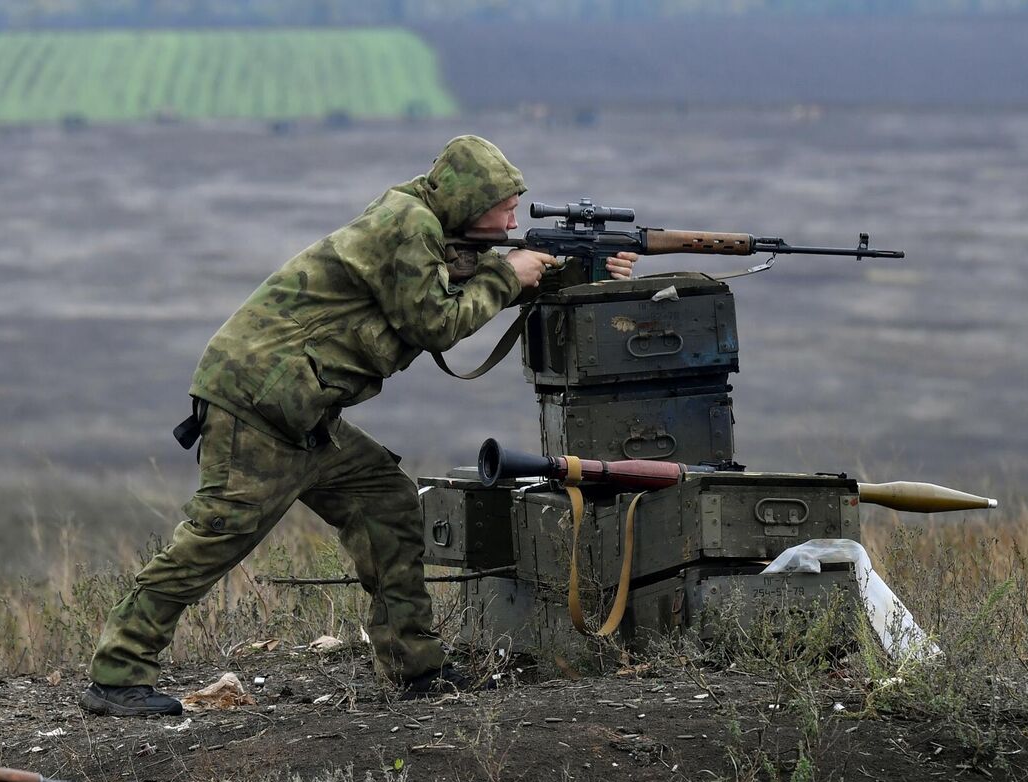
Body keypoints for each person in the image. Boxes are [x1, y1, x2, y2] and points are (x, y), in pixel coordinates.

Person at [81, 135, 638, 717]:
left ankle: (415, 670)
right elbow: (435, 322)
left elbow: (460, 283)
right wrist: (507, 277)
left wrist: (582, 270)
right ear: (470, 199)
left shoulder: (427, 228)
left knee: (387, 505)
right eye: (504, 205)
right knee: (214, 539)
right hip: (258, 409)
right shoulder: (407, 224)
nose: (513, 217)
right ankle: (118, 674)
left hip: (303, 412)